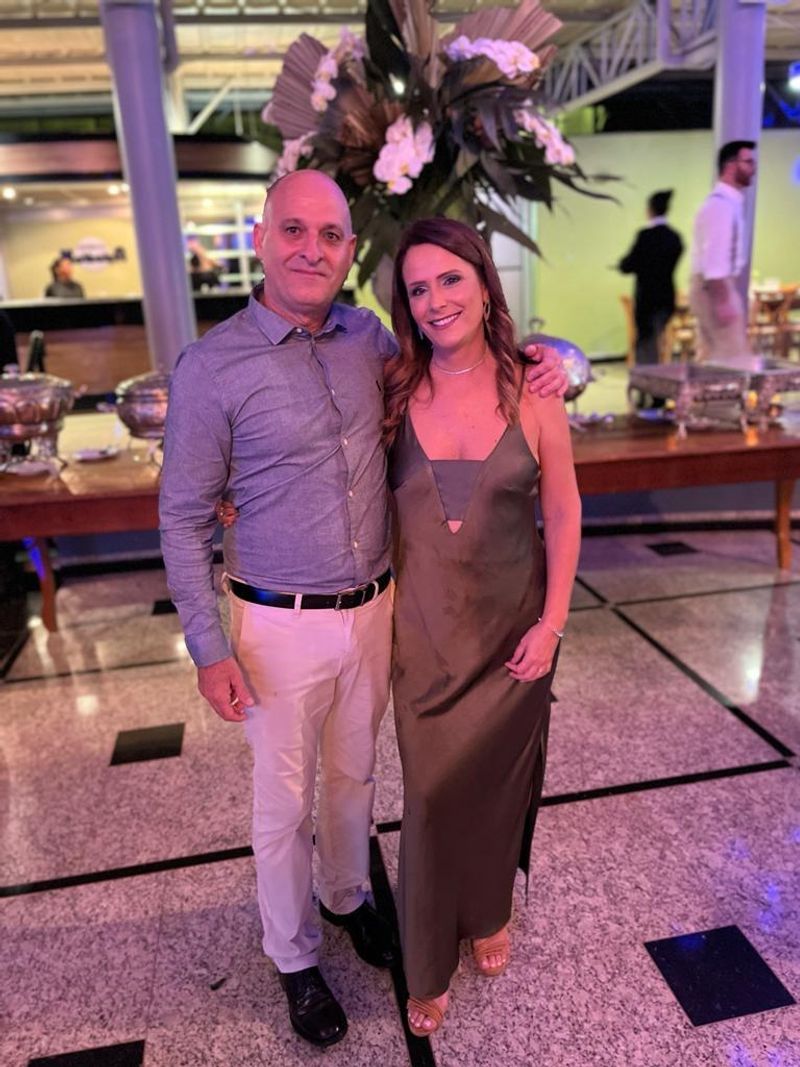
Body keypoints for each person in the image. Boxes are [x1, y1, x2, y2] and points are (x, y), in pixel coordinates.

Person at [160, 169, 568, 1049]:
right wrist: (207, 647)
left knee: (355, 779)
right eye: (293, 230)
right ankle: (293, 955)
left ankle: (347, 898)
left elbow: (460, 371)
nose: (311, 249)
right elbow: (184, 515)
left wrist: (545, 359)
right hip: (275, 620)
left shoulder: (372, 341)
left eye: (330, 235)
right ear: (261, 239)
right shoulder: (212, 366)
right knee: (284, 800)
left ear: (349, 251)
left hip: (378, 609)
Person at [384, 218, 581, 1036]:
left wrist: (554, 624)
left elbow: (562, 511)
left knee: (497, 787)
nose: (436, 300)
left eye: (450, 279)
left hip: (512, 636)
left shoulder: (534, 388)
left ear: (482, 280)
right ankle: (428, 959)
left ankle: (491, 908)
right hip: (423, 639)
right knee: (431, 796)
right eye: (418, 288)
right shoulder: (391, 387)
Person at [689, 140, 756, 362]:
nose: (753, 168)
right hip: (715, 288)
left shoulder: (727, 203)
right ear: (730, 165)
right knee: (732, 360)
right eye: (748, 162)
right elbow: (714, 261)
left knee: (712, 358)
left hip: (712, 287)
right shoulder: (721, 206)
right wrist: (724, 302)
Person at [618, 190, 683, 365]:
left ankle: (647, 376)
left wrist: (623, 264)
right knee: (659, 337)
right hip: (666, 297)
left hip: (647, 299)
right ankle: (657, 374)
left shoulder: (645, 236)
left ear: (650, 210)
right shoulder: (675, 238)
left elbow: (628, 264)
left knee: (646, 342)